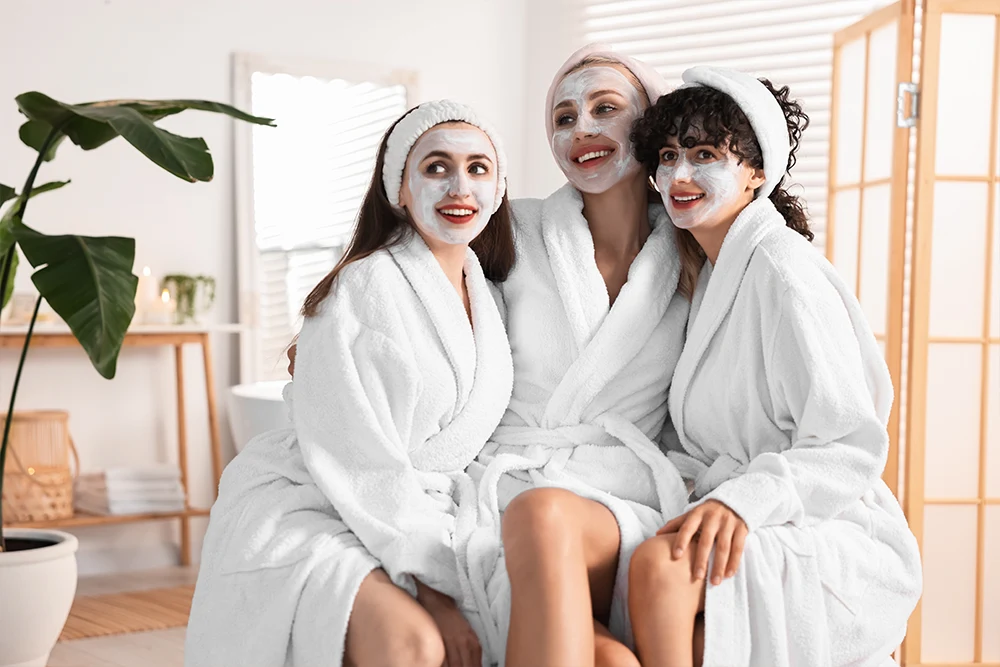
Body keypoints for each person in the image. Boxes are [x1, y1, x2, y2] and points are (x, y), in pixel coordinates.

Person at [185, 100, 516, 667]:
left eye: (477, 168)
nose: (459, 186)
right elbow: (359, 458)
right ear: (399, 190)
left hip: (419, 510)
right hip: (323, 497)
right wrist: (435, 593)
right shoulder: (365, 286)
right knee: (415, 642)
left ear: (499, 188)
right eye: (436, 167)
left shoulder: (492, 297)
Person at [626, 66, 922, 667]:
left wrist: (745, 499)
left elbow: (850, 444)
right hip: (759, 510)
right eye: (668, 155)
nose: (678, 176)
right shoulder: (709, 275)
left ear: (757, 172)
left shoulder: (784, 273)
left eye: (705, 155)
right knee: (696, 642)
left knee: (662, 564)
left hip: (829, 523)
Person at [462, 45, 689, 667]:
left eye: (604, 108)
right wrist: (333, 325)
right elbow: (412, 266)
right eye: (564, 118)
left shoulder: (691, 253)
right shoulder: (510, 228)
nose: (582, 128)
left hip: (619, 501)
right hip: (508, 484)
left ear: (650, 121)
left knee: (545, 516)